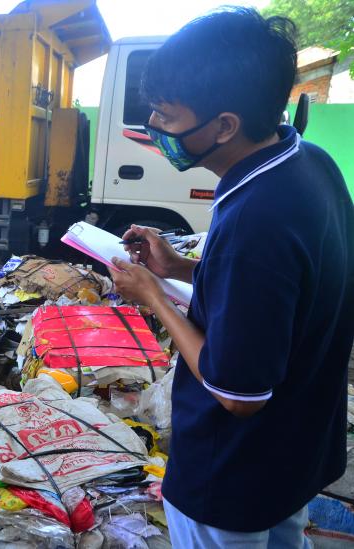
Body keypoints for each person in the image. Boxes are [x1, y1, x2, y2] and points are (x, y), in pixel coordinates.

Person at [109, 7, 354, 548]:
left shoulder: (254, 218)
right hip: (297, 453)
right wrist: (179, 268)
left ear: (224, 126)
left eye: (166, 117)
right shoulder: (310, 164)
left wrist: (154, 296)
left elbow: (239, 394)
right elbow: (291, 287)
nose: (153, 127)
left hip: (232, 476)